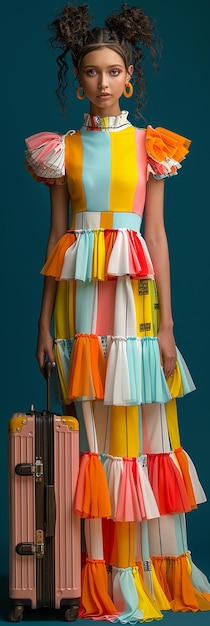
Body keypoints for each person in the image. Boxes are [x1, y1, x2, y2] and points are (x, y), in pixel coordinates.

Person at [25, 2, 210, 621]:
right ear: (77, 80)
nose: (102, 83)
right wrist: (43, 325)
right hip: (78, 307)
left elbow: (156, 239)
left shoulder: (148, 148)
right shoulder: (63, 153)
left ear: (129, 76)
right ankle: (93, 577)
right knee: (93, 439)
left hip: (135, 308)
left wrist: (167, 328)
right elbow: (55, 241)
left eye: (113, 71)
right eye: (91, 72)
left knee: (135, 433)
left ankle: (133, 579)